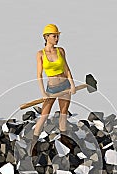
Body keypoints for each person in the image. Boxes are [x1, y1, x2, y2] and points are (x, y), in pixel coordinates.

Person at [30, 24, 76, 156]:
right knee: (44, 116)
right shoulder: (40, 54)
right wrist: (43, 92)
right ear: (46, 37)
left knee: (63, 114)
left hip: (65, 85)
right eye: (54, 36)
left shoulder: (61, 51)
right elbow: (39, 75)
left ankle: (64, 140)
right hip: (52, 88)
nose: (57, 38)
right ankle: (33, 143)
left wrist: (72, 85)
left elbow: (67, 69)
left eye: (58, 36)